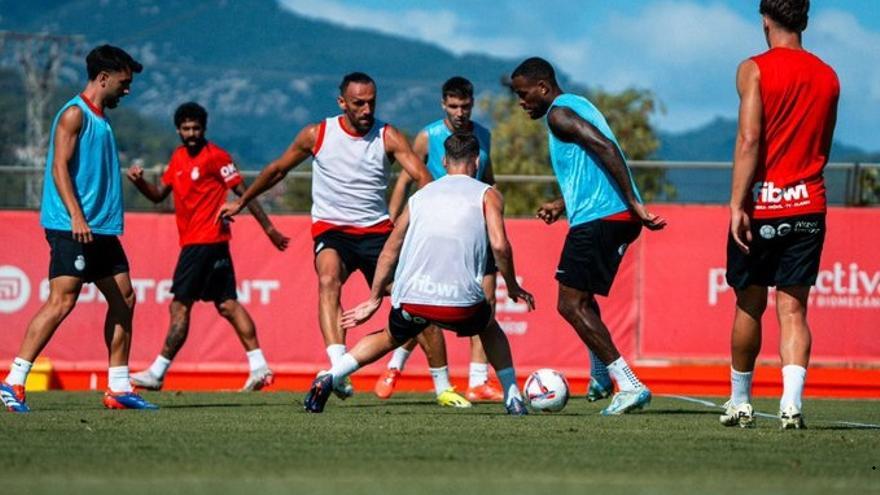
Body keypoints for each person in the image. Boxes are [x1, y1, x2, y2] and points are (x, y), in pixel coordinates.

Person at [217, 72, 430, 399]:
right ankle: (337, 370)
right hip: (332, 230)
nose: (366, 109)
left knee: (411, 298)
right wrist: (242, 202)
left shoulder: (388, 136)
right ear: (342, 103)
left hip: (377, 233)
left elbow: (422, 178)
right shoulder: (317, 134)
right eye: (358, 103)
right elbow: (277, 170)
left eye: (372, 102)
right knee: (328, 278)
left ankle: (442, 384)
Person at [303, 132, 535, 415]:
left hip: (414, 300)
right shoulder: (488, 194)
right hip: (461, 306)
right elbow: (499, 245)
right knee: (488, 327)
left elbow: (389, 250)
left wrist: (375, 298)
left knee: (389, 336)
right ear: (476, 161)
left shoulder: (420, 197)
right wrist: (511, 286)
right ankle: (512, 397)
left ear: (443, 161)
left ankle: (331, 376)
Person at [0, 45, 157, 412]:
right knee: (62, 300)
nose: (127, 89)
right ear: (104, 78)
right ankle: (13, 381)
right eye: (124, 82)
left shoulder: (101, 118)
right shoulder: (75, 114)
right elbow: (58, 168)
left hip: (100, 228)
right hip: (73, 226)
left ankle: (118, 387)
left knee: (125, 299)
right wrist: (76, 216)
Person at [510, 57, 666, 416]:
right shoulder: (578, 105)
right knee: (583, 298)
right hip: (610, 214)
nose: (521, 102)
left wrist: (634, 203)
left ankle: (628, 383)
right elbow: (592, 166)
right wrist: (561, 203)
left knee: (569, 303)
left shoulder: (558, 114)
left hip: (604, 216)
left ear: (543, 88)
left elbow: (607, 150)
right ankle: (600, 377)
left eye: (523, 94)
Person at [721, 0, 838, 430]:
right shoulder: (828, 75)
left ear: (765, 20)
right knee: (793, 310)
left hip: (762, 206)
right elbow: (821, 144)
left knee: (749, 305)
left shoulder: (753, 68)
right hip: (810, 203)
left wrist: (737, 205)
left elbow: (750, 138)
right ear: (804, 20)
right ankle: (791, 405)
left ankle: (740, 402)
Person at [126, 102, 290, 392]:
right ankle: (259, 367)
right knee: (227, 305)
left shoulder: (216, 157)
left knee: (179, 306)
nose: (191, 133)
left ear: (204, 128)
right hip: (204, 243)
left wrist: (269, 229)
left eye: (196, 128)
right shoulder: (177, 158)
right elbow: (157, 196)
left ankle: (158, 372)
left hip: (204, 242)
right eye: (186, 128)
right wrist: (140, 182)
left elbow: (245, 193)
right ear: (178, 129)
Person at [377, 76, 502, 406]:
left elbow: (488, 180)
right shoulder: (428, 136)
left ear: (473, 104)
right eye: (454, 106)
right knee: (424, 307)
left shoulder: (484, 136)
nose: (460, 112)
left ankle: (478, 381)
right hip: (432, 231)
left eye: (466, 106)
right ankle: (394, 365)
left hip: (473, 230)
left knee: (486, 304)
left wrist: (495, 219)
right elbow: (406, 178)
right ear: (443, 105)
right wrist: (393, 220)